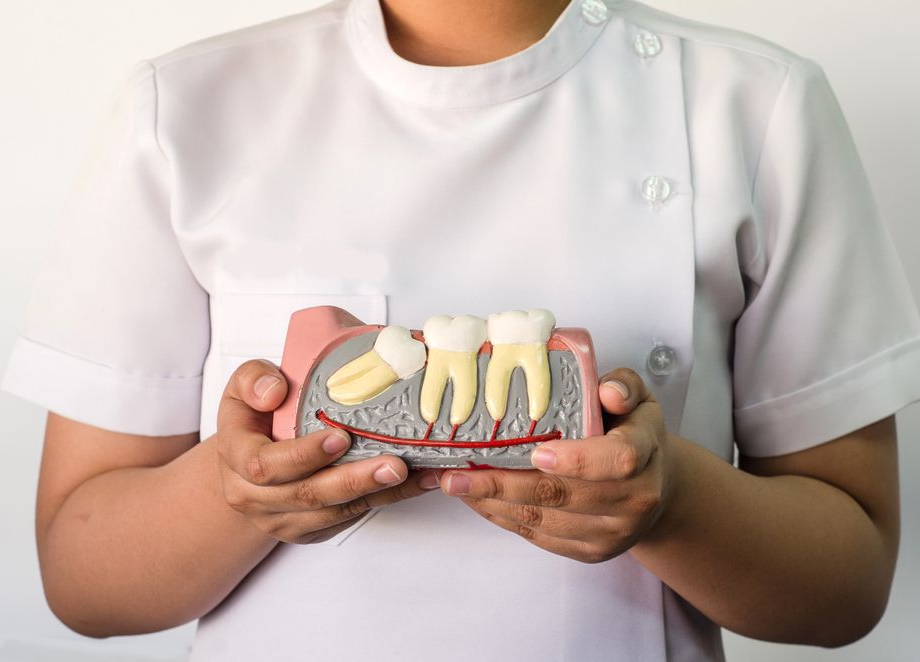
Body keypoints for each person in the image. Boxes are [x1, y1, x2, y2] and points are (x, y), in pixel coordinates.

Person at [3, 0, 920, 659]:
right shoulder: (185, 107)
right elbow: (85, 580)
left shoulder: (755, 105)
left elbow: (845, 589)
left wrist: (670, 501)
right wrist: (235, 492)